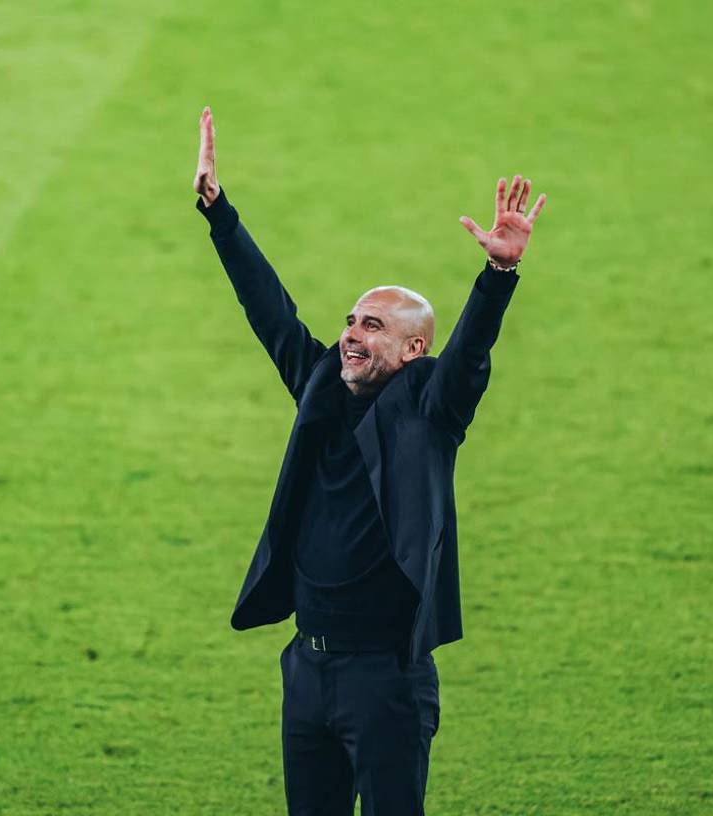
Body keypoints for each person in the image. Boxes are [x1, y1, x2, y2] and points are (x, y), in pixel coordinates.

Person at [192, 105, 546, 815]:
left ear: (413, 351)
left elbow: (471, 354)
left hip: (385, 680)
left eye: (373, 326)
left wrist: (497, 274)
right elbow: (273, 315)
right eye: (352, 319)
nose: (352, 333)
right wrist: (219, 213)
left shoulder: (430, 409)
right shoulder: (323, 382)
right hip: (307, 668)